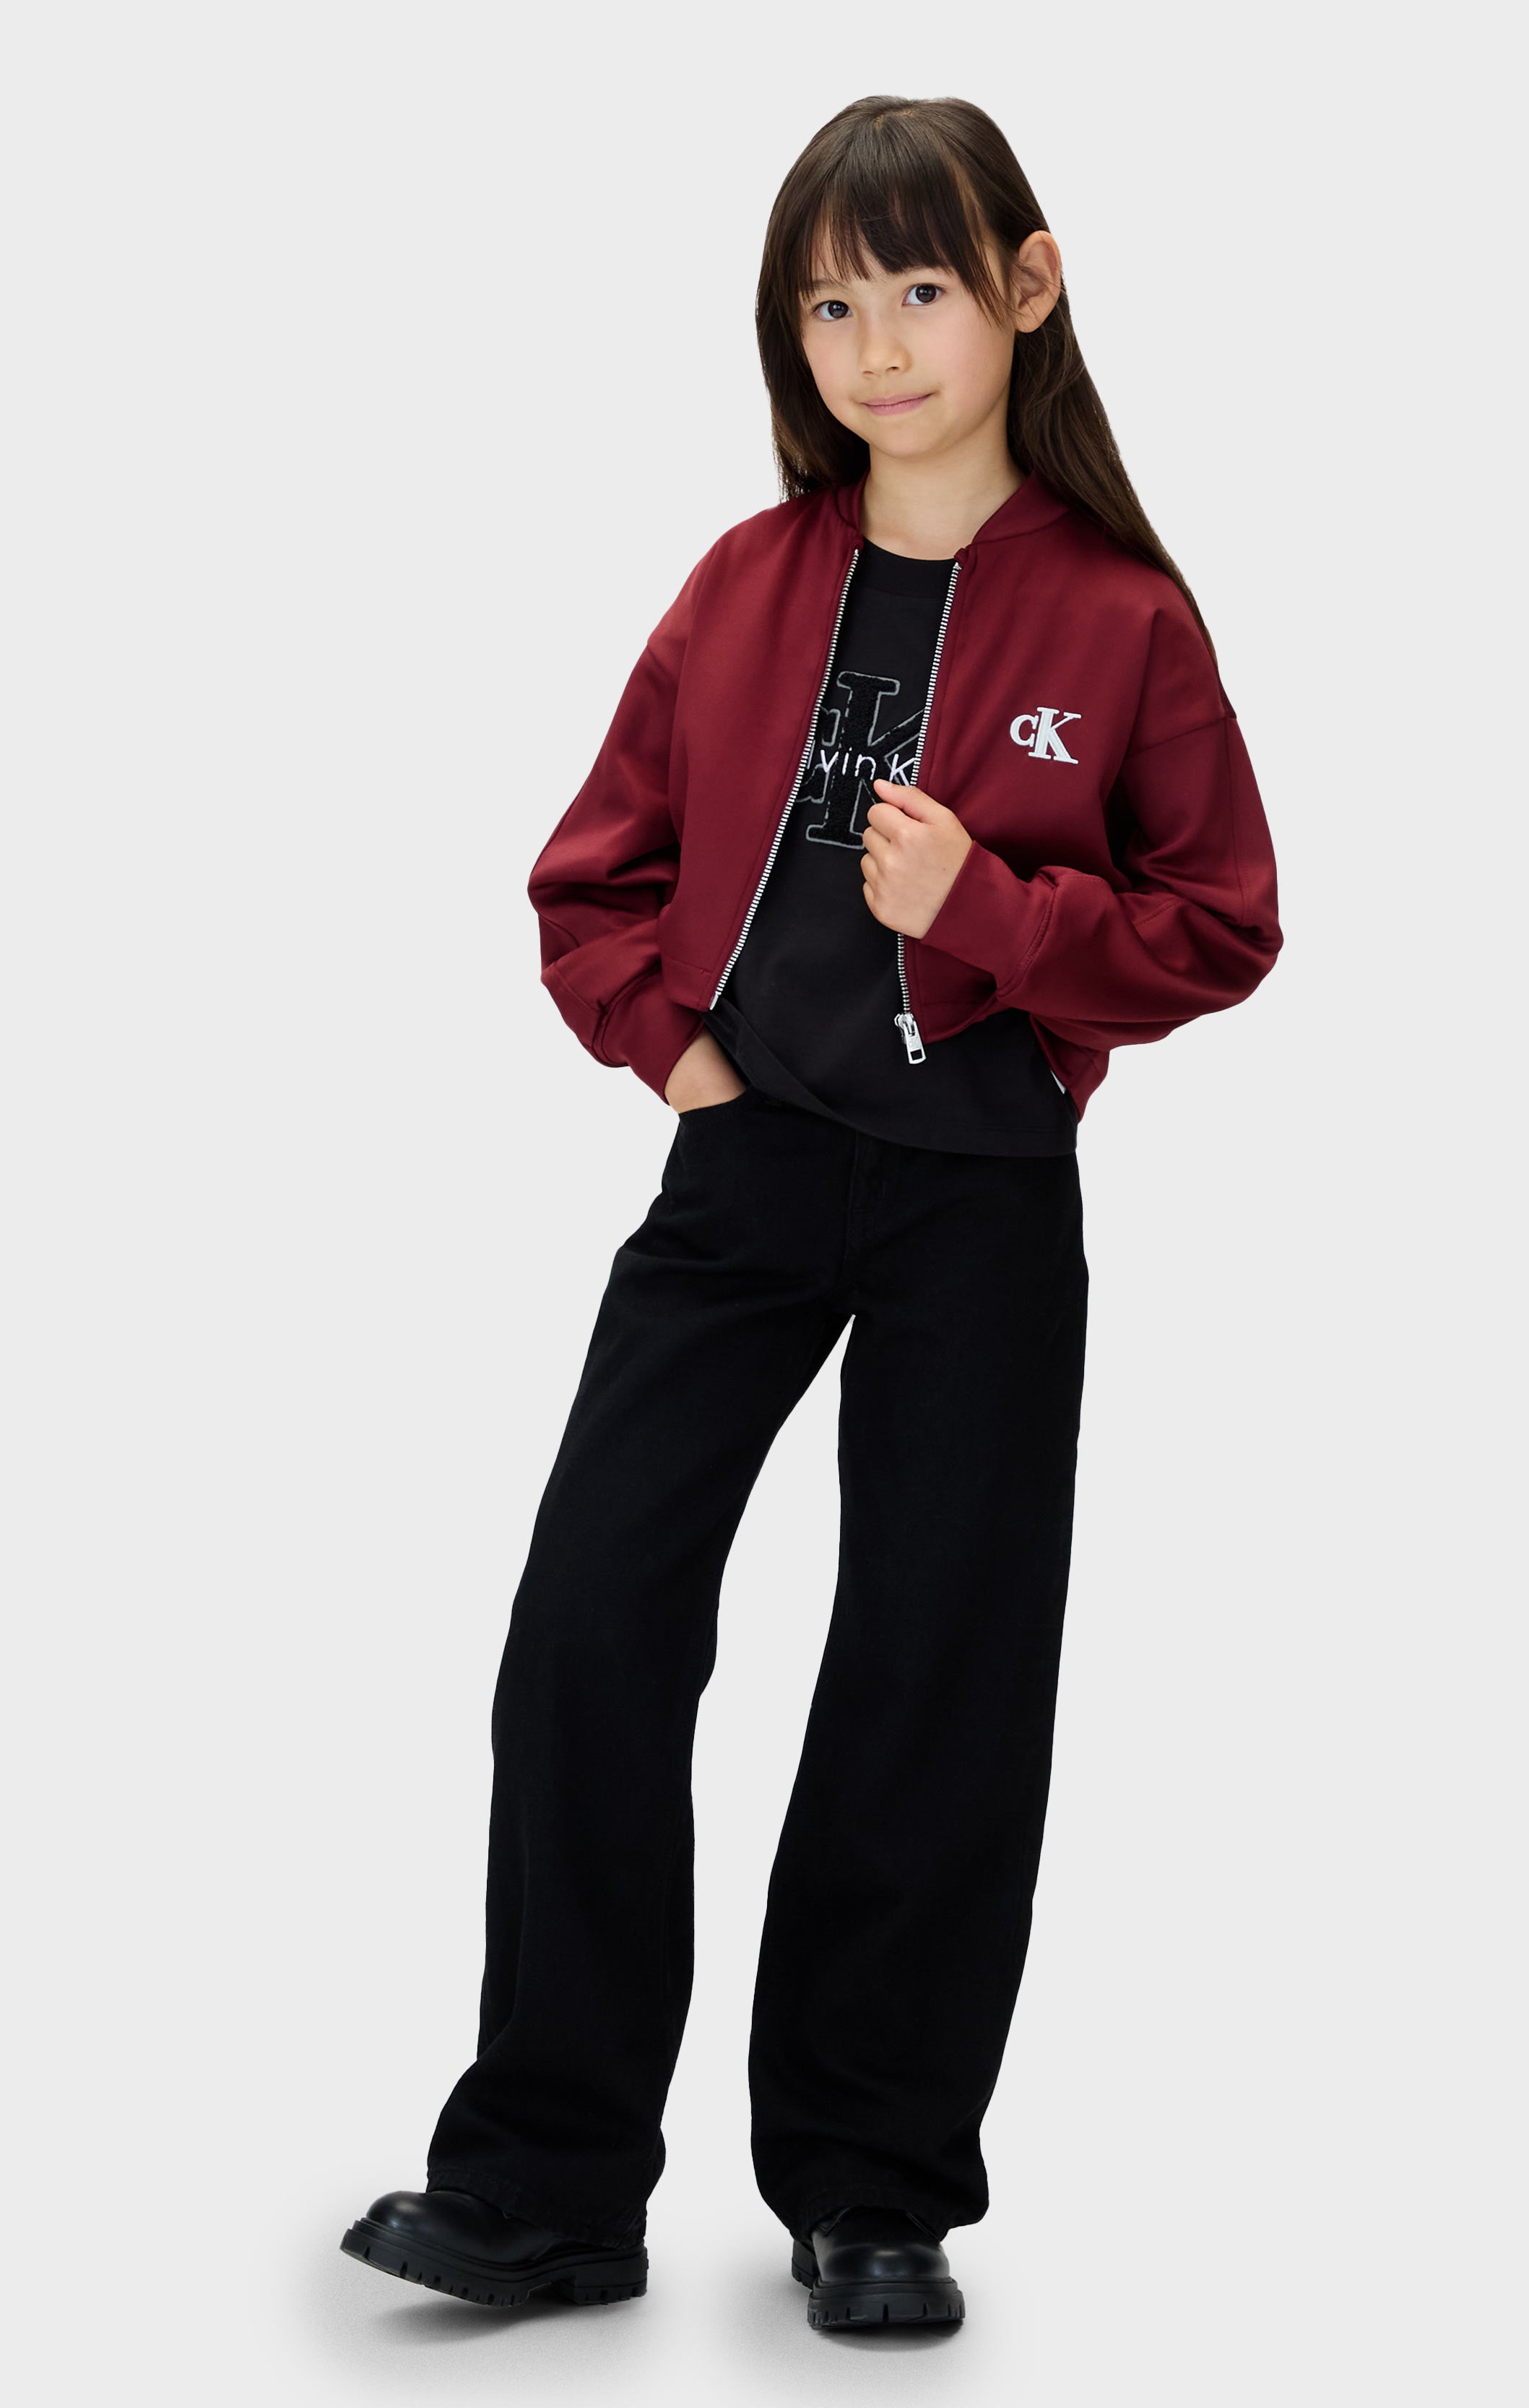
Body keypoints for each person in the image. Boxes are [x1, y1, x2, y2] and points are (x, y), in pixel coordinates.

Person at [341, 92, 1281, 2334]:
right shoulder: (747, 579)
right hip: (744, 1170)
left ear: (1026, 289)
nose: (875, 346)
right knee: (591, 1625)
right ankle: (548, 2181)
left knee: (935, 1671)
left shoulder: (1121, 615)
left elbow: (1221, 924)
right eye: (830, 305)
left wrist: (998, 916)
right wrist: (670, 1050)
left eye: (920, 289)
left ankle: (874, 2192)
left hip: (982, 1191)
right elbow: (594, 871)